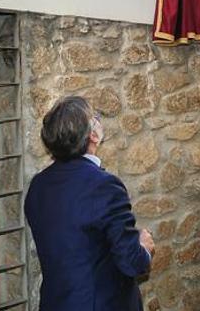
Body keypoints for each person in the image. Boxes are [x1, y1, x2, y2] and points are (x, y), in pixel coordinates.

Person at [25, 96, 154, 311]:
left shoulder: (38, 185)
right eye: (95, 118)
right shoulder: (104, 186)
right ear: (92, 135)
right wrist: (144, 247)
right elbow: (132, 262)